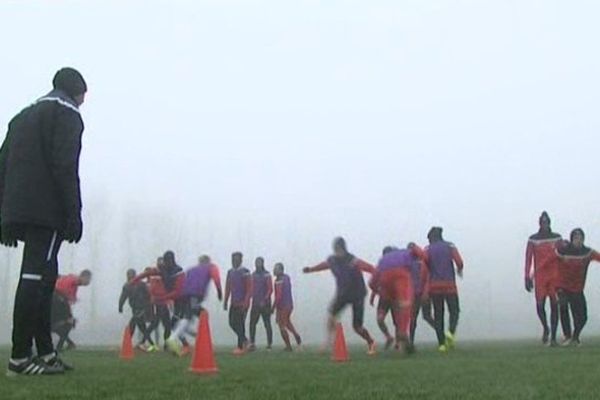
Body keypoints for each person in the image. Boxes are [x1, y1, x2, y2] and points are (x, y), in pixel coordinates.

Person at [0, 67, 87, 376]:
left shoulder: (22, 116)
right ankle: (20, 358)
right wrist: (73, 213)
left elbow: (3, 163)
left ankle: (46, 353)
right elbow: (65, 164)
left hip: (21, 208)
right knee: (35, 278)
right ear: (78, 91)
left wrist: (5, 216)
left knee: (46, 278)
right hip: (45, 210)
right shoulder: (67, 115)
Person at [303, 237, 377, 355]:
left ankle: (371, 342)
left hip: (357, 294)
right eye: (336, 249)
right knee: (331, 315)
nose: (337, 252)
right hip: (343, 294)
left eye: (339, 250)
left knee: (357, 327)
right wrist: (311, 269)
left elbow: (371, 268)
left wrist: (379, 277)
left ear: (344, 249)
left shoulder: (353, 260)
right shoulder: (332, 260)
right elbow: (325, 265)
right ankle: (328, 342)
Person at [370, 244, 427, 354]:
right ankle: (402, 334)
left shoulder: (383, 260)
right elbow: (423, 256)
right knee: (405, 305)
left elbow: (372, 282)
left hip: (385, 284)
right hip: (400, 277)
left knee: (394, 314)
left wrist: (375, 291)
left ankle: (399, 340)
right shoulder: (408, 253)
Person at [166, 255, 222, 356]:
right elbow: (216, 277)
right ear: (208, 261)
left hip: (184, 295)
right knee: (189, 317)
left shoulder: (191, 269)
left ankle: (198, 337)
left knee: (201, 314)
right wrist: (219, 292)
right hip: (195, 295)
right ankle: (173, 338)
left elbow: (182, 282)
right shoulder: (211, 267)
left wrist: (175, 298)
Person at [555, 228, 600, 347]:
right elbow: (551, 255)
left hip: (578, 289)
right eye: (575, 238)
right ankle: (567, 336)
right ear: (571, 240)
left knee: (583, 317)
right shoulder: (563, 251)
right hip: (563, 287)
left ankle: (575, 337)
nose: (578, 241)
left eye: (580, 238)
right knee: (563, 307)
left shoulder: (587, 253)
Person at [132, 253, 185, 351]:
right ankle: (145, 342)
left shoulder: (165, 273)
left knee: (165, 325)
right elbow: (151, 283)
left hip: (163, 302)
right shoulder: (157, 274)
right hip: (158, 303)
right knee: (156, 324)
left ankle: (163, 344)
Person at [524, 211, 563, 346]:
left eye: (547, 222)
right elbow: (528, 258)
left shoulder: (557, 238)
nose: (545, 224)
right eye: (543, 222)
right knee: (540, 306)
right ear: (540, 223)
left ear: (549, 223)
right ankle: (545, 327)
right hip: (540, 277)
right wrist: (527, 277)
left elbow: (563, 255)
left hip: (554, 276)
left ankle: (553, 336)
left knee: (554, 305)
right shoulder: (533, 239)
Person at [426, 227, 464, 353]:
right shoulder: (450, 246)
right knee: (454, 311)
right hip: (450, 286)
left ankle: (441, 344)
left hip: (434, 286)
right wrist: (459, 269)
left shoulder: (427, 249)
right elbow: (459, 262)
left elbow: (424, 265)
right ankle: (450, 332)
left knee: (438, 315)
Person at [52, 270, 92, 353]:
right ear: (83, 277)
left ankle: (66, 344)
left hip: (57, 302)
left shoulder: (74, 283)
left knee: (64, 324)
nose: (89, 282)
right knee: (67, 323)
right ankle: (64, 345)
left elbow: (70, 298)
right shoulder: (72, 280)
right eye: (88, 279)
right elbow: (65, 295)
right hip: (56, 302)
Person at [118, 269, 156, 352]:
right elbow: (123, 297)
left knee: (132, 325)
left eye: (131, 275)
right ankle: (151, 344)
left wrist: (149, 306)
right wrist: (120, 306)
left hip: (143, 308)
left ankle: (127, 344)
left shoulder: (141, 284)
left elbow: (149, 295)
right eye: (128, 275)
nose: (130, 277)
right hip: (135, 309)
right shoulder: (127, 286)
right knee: (142, 327)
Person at [224, 252, 252, 355]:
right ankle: (246, 341)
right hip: (234, 302)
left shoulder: (245, 272)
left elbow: (249, 288)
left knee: (240, 324)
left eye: (236, 259)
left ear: (240, 260)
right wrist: (226, 301)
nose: (234, 261)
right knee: (232, 323)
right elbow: (228, 287)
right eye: (233, 259)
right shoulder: (230, 272)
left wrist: (246, 302)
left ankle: (240, 347)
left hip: (242, 303)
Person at [272, 263, 302, 351]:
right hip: (289, 304)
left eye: (276, 269)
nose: (274, 270)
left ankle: (288, 346)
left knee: (281, 325)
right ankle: (296, 335)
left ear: (281, 270)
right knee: (287, 322)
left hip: (282, 305)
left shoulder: (279, 280)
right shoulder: (287, 278)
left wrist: (273, 307)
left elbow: (279, 295)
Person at [249, 257, 274, 351]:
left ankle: (269, 344)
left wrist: (265, 299)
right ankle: (252, 343)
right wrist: (249, 297)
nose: (257, 264)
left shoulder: (267, 275)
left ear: (262, 263)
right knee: (252, 323)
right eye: (256, 262)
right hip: (255, 303)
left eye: (259, 262)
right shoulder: (253, 275)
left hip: (265, 304)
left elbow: (270, 289)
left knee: (267, 323)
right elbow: (251, 288)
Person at [409, 255, 435, 346]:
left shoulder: (409, 264)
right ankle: (441, 334)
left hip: (415, 295)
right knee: (427, 317)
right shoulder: (423, 264)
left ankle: (411, 341)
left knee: (413, 318)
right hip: (424, 293)